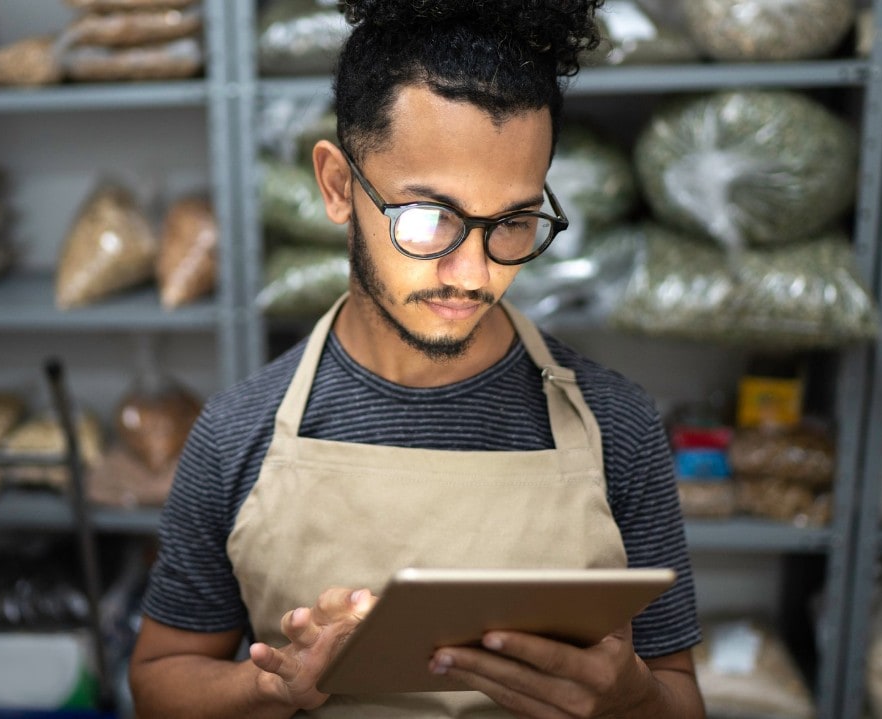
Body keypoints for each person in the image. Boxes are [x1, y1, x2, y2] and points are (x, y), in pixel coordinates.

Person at [129, 1, 704, 716]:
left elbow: (680, 696)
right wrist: (272, 684)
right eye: (430, 219)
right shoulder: (235, 431)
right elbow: (158, 680)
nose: (472, 272)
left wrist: (632, 698)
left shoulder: (617, 425)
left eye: (515, 222)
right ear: (339, 186)